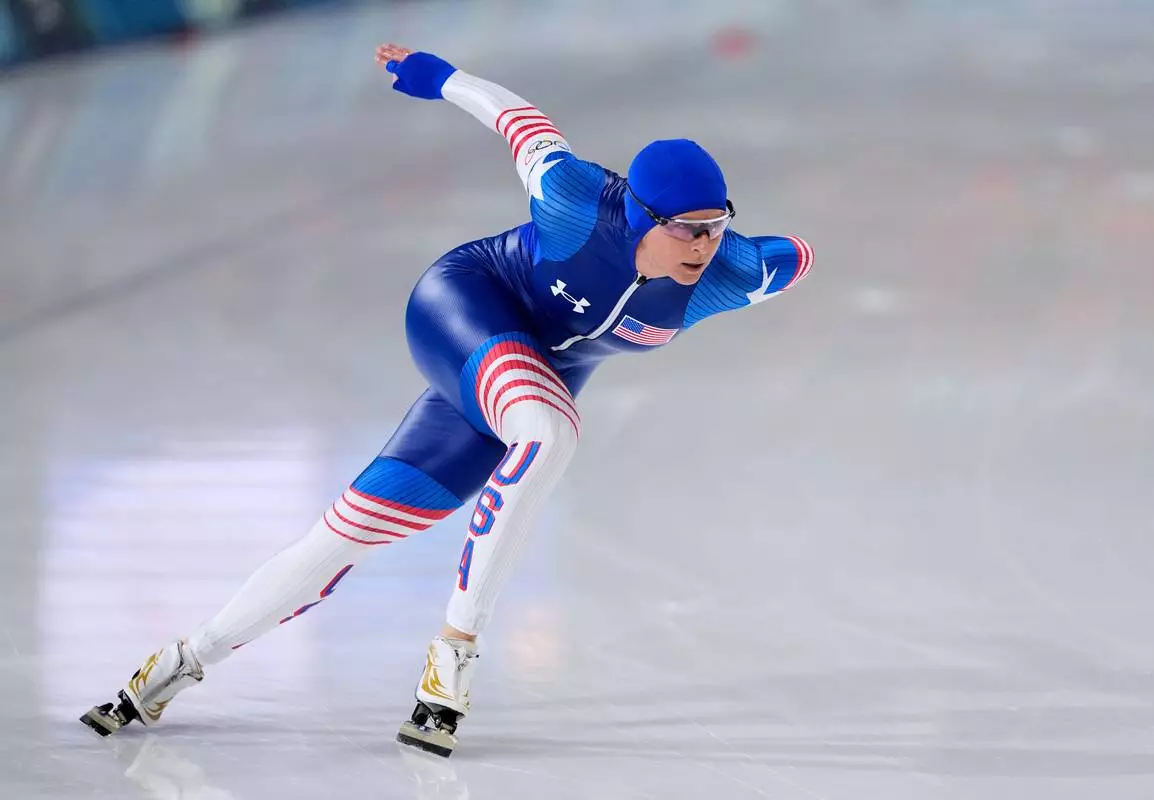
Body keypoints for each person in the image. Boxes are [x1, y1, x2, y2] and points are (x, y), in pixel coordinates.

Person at [81, 44, 813, 757]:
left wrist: (792, 257)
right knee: (550, 431)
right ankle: (456, 650)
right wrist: (443, 78)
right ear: (641, 218)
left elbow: (796, 258)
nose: (706, 246)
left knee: (346, 535)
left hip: (520, 381)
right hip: (464, 305)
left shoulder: (734, 270)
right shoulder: (576, 201)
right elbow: (521, 122)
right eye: (690, 230)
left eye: (718, 225)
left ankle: (177, 662)